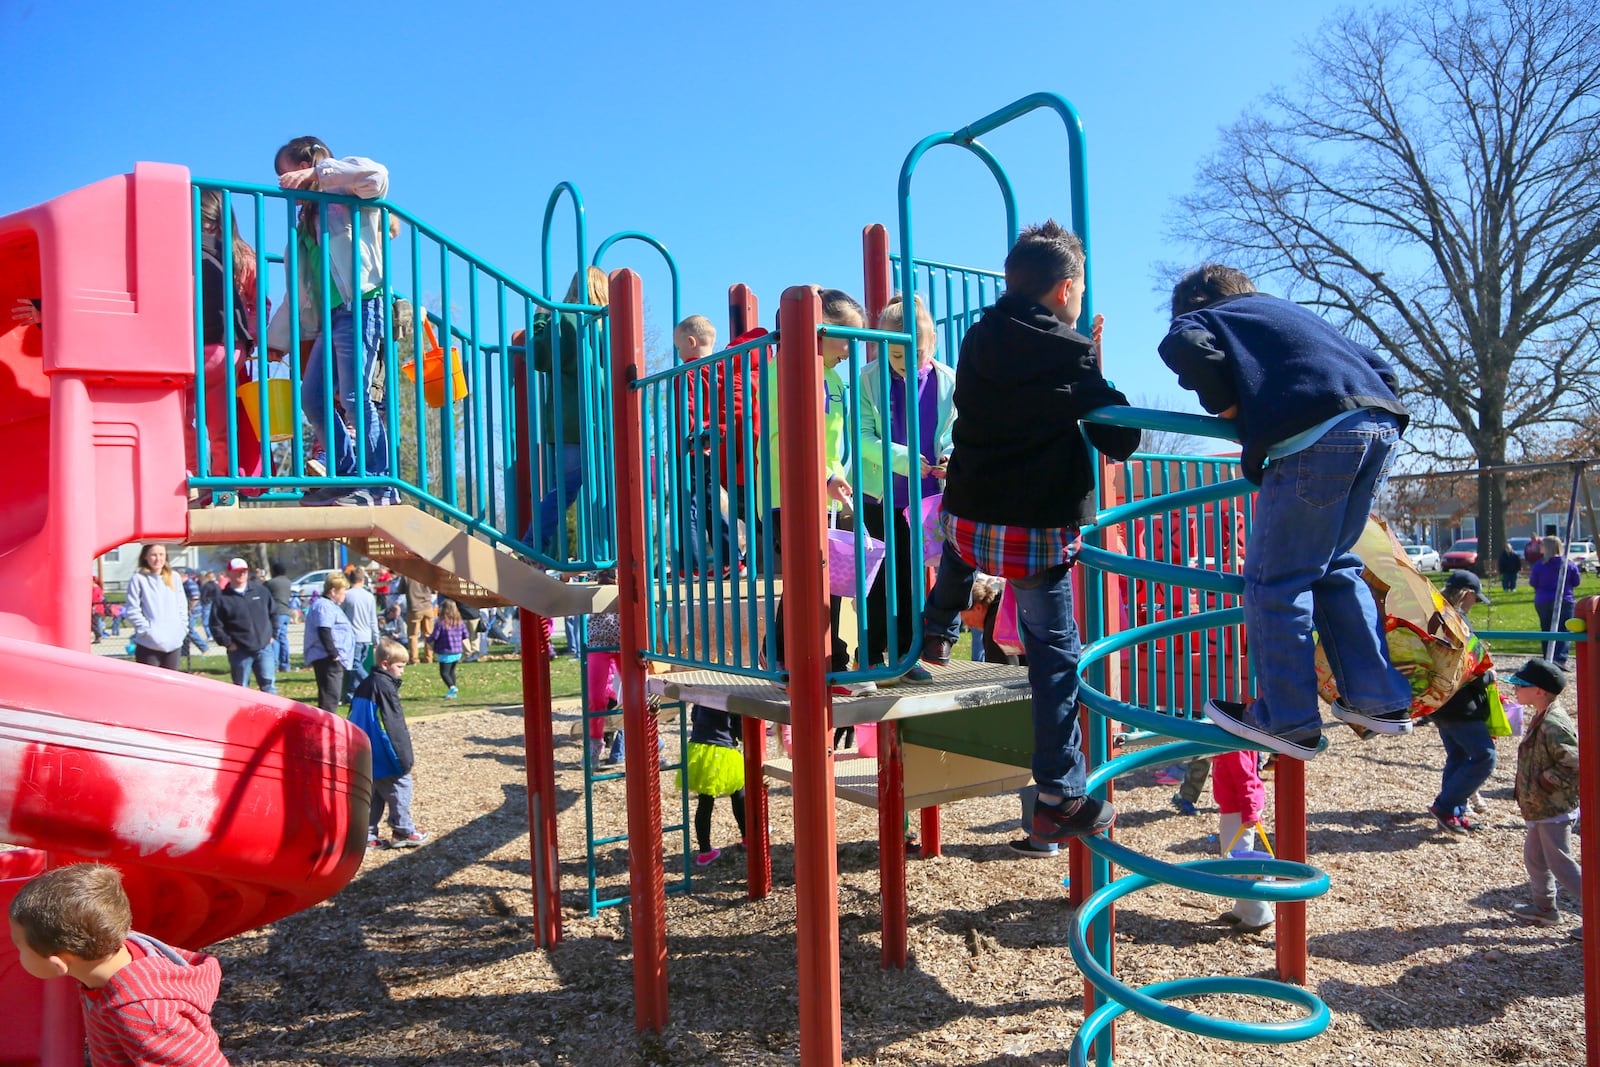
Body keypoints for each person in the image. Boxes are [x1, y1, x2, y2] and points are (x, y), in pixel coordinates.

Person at [921, 220, 1142, 843]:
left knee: (962, 543)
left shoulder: (979, 335)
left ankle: (935, 631)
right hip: (1030, 537)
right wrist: (1092, 368)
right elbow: (1119, 438)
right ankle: (1060, 792)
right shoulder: (1067, 353)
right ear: (1066, 288)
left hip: (966, 520)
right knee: (1055, 657)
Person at [1159, 263, 1411, 760]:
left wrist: (1230, 405)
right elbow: (1381, 368)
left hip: (1318, 438)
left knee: (1277, 581)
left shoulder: (1208, 316)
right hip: (1380, 423)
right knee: (1334, 566)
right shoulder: (1290, 315)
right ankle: (1379, 698)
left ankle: (1286, 719)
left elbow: (1184, 347)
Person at [266, 136, 393, 507]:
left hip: (361, 304)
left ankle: (379, 485)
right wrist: (278, 339)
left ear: (309, 165)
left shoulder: (345, 196)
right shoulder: (303, 226)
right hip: (332, 317)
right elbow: (299, 292)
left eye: (287, 173)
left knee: (354, 396)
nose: (283, 183)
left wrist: (318, 175)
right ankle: (345, 475)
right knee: (314, 396)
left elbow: (377, 175)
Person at [763, 288, 875, 697]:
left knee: (825, 577)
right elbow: (790, 434)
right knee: (810, 577)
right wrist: (824, 475)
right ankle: (801, 659)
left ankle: (820, 660)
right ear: (817, 327)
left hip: (821, 491)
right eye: (845, 336)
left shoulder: (830, 377)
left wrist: (833, 475)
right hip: (788, 492)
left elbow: (828, 441)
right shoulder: (789, 367)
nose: (852, 348)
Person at [7, 863, 229, 1066]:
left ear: (59, 963)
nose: (19, 954)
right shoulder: (118, 948)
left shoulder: (144, 1018)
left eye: (21, 948)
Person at [857, 294, 953, 685]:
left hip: (929, 495)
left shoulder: (947, 379)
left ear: (931, 341)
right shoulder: (868, 379)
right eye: (895, 356)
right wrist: (903, 458)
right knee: (885, 578)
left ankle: (912, 651)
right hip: (883, 494)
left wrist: (950, 456)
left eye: (915, 353)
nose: (905, 363)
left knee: (921, 575)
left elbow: (954, 430)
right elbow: (861, 436)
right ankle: (881, 655)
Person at [513, 267, 609, 557]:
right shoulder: (611, 322)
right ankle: (608, 558)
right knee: (607, 493)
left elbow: (540, 356)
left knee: (564, 488)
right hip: (609, 420)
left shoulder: (565, 317)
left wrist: (541, 317)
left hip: (572, 421)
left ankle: (532, 545)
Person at [188, 188, 266, 505]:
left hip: (219, 342)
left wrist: (255, 336)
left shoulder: (239, 256)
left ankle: (212, 481)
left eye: (210, 225)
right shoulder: (225, 253)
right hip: (226, 344)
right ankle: (211, 482)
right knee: (214, 420)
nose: (206, 232)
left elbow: (258, 301)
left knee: (214, 419)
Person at [1425, 570, 1498, 833]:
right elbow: (1465, 665)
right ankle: (1446, 805)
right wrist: (1488, 676)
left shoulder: (1435, 615)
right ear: (1466, 594)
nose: (1475, 603)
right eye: (1475, 598)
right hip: (1460, 703)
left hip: (1439, 700)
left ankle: (1454, 812)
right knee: (1485, 756)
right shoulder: (1457, 620)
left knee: (1459, 755)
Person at [1510, 658, 1580, 927]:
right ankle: (1544, 907)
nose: (1515, 689)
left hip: (1554, 808)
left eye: (1521, 685)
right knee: (1535, 858)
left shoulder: (1554, 724)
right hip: (1542, 807)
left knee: (1563, 866)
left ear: (1539, 691)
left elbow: (1575, 764)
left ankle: (1595, 918)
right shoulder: (1542, 716)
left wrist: (1545, 780)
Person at [349, 637, 430, 848]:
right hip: (383, 751)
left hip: (365, 749)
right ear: (385, 664)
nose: (403, 671)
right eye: (400, 666)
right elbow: (391, 724)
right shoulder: (383, 687)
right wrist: (403, 757)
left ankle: (366, 835)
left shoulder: (366, 684)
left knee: (374, 791)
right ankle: (402, 830)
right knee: (400, 785)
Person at [1214, 750, 1272, 933]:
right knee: (1234, 858)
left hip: (1239, 809)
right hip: (1236, 807)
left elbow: (1244, 776)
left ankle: (1258, 914)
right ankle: (1242, 908)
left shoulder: (1233, 747)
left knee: (1238, 863)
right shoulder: (1232, 739)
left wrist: (1249, 810)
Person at [685, 704, 746, 866]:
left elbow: (693, 716)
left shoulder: (702, 696)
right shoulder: (731, 697)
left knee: (705, 801)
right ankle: (747, 836)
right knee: (738, 791)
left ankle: (704, 851)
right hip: (722, 749)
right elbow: (741, 732)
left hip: (699, 749)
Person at [209, 557, 278, 694]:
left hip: (264, 647)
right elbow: (216, 625)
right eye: (238, 571)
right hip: (240, 651)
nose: (242, 574)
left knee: (269, 686)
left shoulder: (261, 591)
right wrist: (228, 643)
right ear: (229, 573)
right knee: (241, 689)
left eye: (244, 571)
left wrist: (272, 634)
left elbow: (274, 613)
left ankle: (273, 715)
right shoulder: (222, 598)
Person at [124, 544, 189, 670]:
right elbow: (132, 609)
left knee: (170, 685)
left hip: (173, 642)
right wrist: (147, 631)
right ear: (145, 557)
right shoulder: (138, 579)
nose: (158, 559)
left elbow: (182, 605)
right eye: (153, 555)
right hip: (149, 643)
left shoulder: (174, 577)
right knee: (150, 686)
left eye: (161, 555)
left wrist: (182, 629)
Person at [582, 572, 625, 765]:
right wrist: (569, 574)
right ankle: (595, 744)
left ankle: (651, 739)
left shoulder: (628, 559)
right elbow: (567, 579)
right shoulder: (592, 561)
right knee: (595, 698)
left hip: (627, 640)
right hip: (598, 641)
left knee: (640, 693)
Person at [304, 574, 355, 711]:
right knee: (330, 699)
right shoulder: (324, 606)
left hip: (331, 659)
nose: (344, 596)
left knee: (331, 696)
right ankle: (327, 728)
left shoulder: (330, 606)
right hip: (327, 660)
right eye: (342, 592)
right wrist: (334, 654)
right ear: (333, 591)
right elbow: (324, 630)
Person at [1529, 535, 1580, 672]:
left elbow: (1533, 582)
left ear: (1547, 548)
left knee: (1546, 629)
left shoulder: (1540, 565)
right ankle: (1560, 658)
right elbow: (1576, 581)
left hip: (1543, 600)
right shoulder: (1568, 563)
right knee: (1563, 630)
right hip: (1565, 599)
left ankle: (1548, 657)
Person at [341, 565, 380, 702]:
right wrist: (376, 637)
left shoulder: (347, 595)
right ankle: (353, 694)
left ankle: (372, 683)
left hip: (353, 636)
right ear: (362, 580)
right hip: (366, 636)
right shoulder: (369, 596)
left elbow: (341, 615)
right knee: (358, 665)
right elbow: (372, 619)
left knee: (354, 666)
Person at [428, 599, 469, 699]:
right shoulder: (460, 622)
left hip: (445, 651)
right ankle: (453, 693)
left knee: (444, 673)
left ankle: (452, 687)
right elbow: (466, 635)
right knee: (452, 672)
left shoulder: (441, 624)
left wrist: (427, 639)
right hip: (457, 651)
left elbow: (435, 636)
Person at [264, 561, 293, 671]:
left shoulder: (271, 583)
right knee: (283, 639)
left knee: (274, 638)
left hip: (276, 612)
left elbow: (263, 590)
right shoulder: (288, 582)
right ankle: (285, 664)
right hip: (286, 611)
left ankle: (274, 664)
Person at [403, 575, 436, 664]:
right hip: (427, 607)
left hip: (414, 608)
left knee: (413, 636)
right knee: (428, 634)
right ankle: (429, 657)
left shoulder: (406, 576)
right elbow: (434, 590)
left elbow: (401, 589)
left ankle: (414, 659)